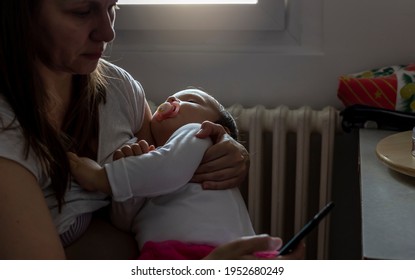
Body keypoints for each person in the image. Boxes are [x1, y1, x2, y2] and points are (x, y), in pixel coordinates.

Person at [0, 0, 303, 260]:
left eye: (112, 6)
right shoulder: (7, 130)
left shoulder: (119, 90)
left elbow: (155, 185)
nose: (108, 32)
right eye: (82, 11)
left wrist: (227, 149)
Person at [69, 88, 260, 259]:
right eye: (171, 97)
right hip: (165, 254)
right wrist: (128, 172)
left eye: (191, 101)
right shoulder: (154, 167)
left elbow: (171, 170)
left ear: (221, 131)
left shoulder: (202, 135)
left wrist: (100, 177)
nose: (170, 98)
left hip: (213, 250)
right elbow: (124, 223)